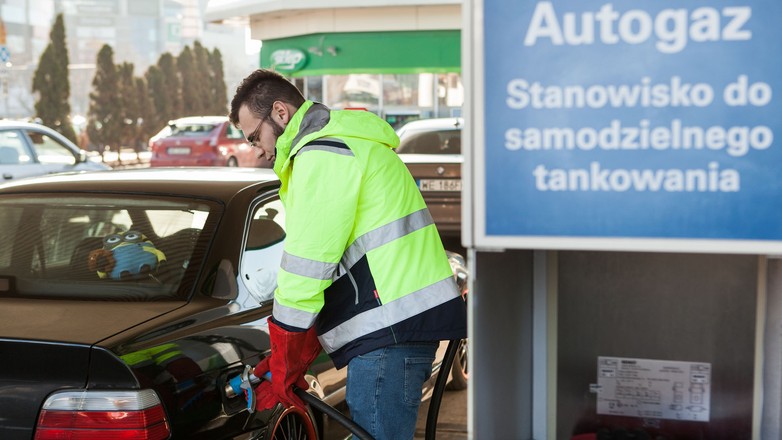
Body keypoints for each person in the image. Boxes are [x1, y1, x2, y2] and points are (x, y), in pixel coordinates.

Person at [229, 69, 467, 440]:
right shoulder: (344, 144)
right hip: (394, 327)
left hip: (387, 332)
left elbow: (306, 267)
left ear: (279, 113)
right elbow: (341, 262)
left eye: (254, 136)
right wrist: (294, 355)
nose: (256, 150)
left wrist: (285, 351)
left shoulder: (323, 156)